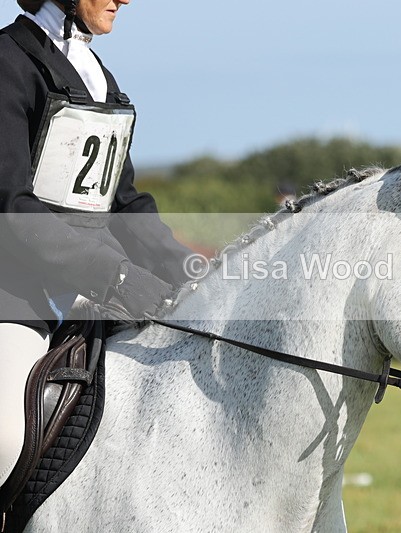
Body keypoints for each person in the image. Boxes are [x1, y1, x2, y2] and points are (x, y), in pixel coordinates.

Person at [0, 0, 192, 489]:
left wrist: (193, 273)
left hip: (87, 293)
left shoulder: (96, 75)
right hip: (14, 297)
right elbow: (13, 206)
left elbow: (124, 203)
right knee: (3, 436)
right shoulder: (7, 62)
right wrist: (115, 275)